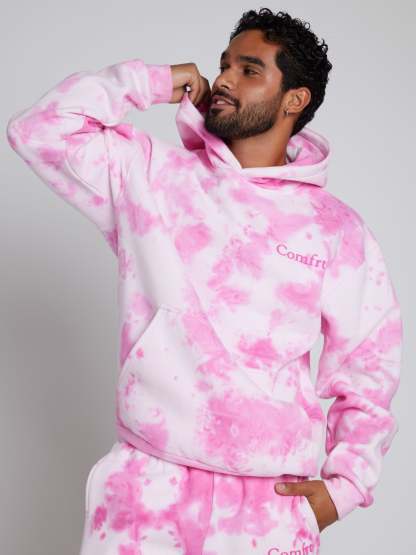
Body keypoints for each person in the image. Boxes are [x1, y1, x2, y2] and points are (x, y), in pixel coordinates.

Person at [6, 8, 403, 555]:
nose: (224, 81)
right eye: (224, 65)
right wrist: (150, 81)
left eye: (249, 70)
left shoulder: (335, 229)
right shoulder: (151, 175)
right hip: (147, 491)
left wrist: (347, 487)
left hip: (268, 504)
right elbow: (37, 130)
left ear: (294, 99)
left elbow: (368, 365)